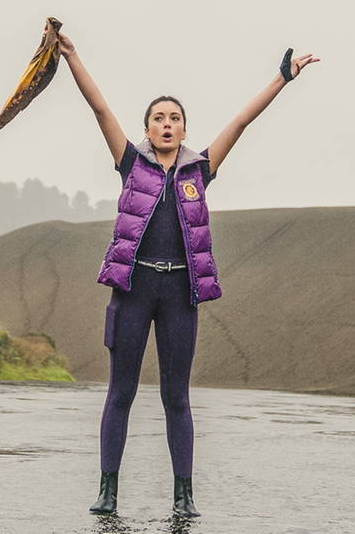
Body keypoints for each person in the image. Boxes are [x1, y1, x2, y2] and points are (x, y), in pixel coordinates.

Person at [57, 30, 318, 518]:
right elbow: (99, 109)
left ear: (184, 128)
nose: (167, 124)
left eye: (175, 118)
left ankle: (184, 498)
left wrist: (281, 79)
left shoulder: (201, 170)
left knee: (177, 397)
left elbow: (240, 122)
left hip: (180, 293)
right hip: (132, 292)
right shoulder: (130, 163)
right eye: (159, 118)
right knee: (121, 394)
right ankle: (107, 491)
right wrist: (72, 57)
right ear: (147, 129)